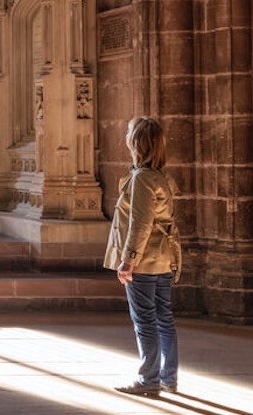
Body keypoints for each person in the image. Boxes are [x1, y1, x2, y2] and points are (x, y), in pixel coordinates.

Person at [104, 115, 182, 397]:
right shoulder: (160, 175)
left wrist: (128, 261)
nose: (125, 136)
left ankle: (149, 380)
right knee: (164, 318)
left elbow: (140, 223)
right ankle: (167, 378)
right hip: (163, 260)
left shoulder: (142, 179)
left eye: (128, 133)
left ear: (136, 142)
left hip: (145, 263)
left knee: (145, 321)